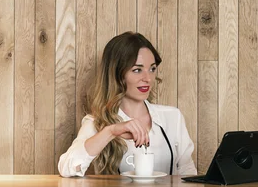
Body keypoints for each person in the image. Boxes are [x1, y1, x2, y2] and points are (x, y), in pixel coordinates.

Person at [58, 31, 197, 177]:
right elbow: (67, 168)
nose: (148, 78)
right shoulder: (96, 123)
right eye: (137, 70)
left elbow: (188, 173)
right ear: (117, 75)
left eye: (152, 69)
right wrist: (111, 131)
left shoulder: (172, 117)